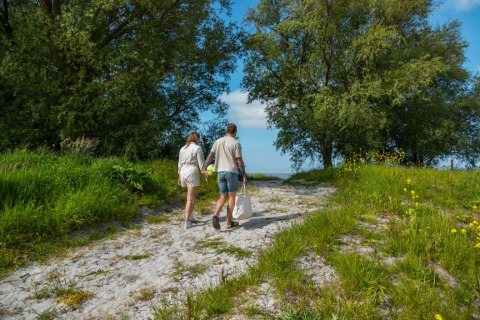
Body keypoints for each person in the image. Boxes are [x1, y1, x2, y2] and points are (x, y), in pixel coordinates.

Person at [202, 123, 247, 230]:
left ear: (227, 131)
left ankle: (216, 214)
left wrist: (204, 168)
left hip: (219, 172)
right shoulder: (236, 143)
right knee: (231, 197)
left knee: (222, 196)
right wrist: (244, 176)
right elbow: (239, 161)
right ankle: (228, 222)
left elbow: (210, 155)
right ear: (235, 132)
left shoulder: (218, 141)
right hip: (231, 172)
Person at [178, 132, 209, 229]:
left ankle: (190, 216)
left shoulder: (182, 148)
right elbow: (201, 164)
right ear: (197, 139)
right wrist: (206, 175)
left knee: (193, 195)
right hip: (192, 171)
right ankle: (187, 222)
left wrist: (179, 176)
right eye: (199, 139)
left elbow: (179, 164)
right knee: (190, 198)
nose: (199, 141)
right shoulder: (197, 148)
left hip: (183, 171)